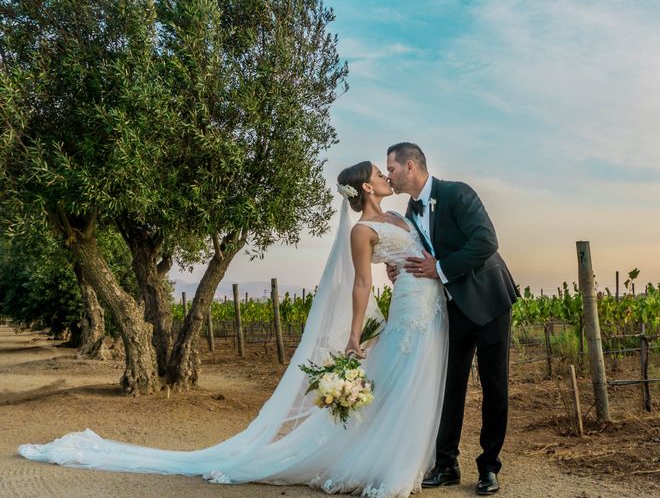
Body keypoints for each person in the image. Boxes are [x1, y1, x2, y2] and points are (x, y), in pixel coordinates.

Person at [19, 161, 449, 498]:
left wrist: (400, 270)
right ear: (367, 187)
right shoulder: (361, 230)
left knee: (412, 385)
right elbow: (359, 284)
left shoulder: (401, 217)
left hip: (426, 306)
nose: (385, 175)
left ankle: (409, 463)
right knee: (402, 386)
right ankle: (392, 468)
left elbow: (407, 256)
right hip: (409, 315)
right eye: (379, 172)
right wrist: (354, 336)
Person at [385, 142, 519, 496]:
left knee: (494, 386)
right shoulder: (411, 210)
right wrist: (399, 267)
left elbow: (486, 241)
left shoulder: (457, 194)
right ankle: (447, 464)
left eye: (392, 169)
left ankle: (489, 467)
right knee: (450, 384)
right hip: (450, 306)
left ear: (410, 166)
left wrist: (439, 267)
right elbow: (419, 253)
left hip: (489, 300)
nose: (389, 175)